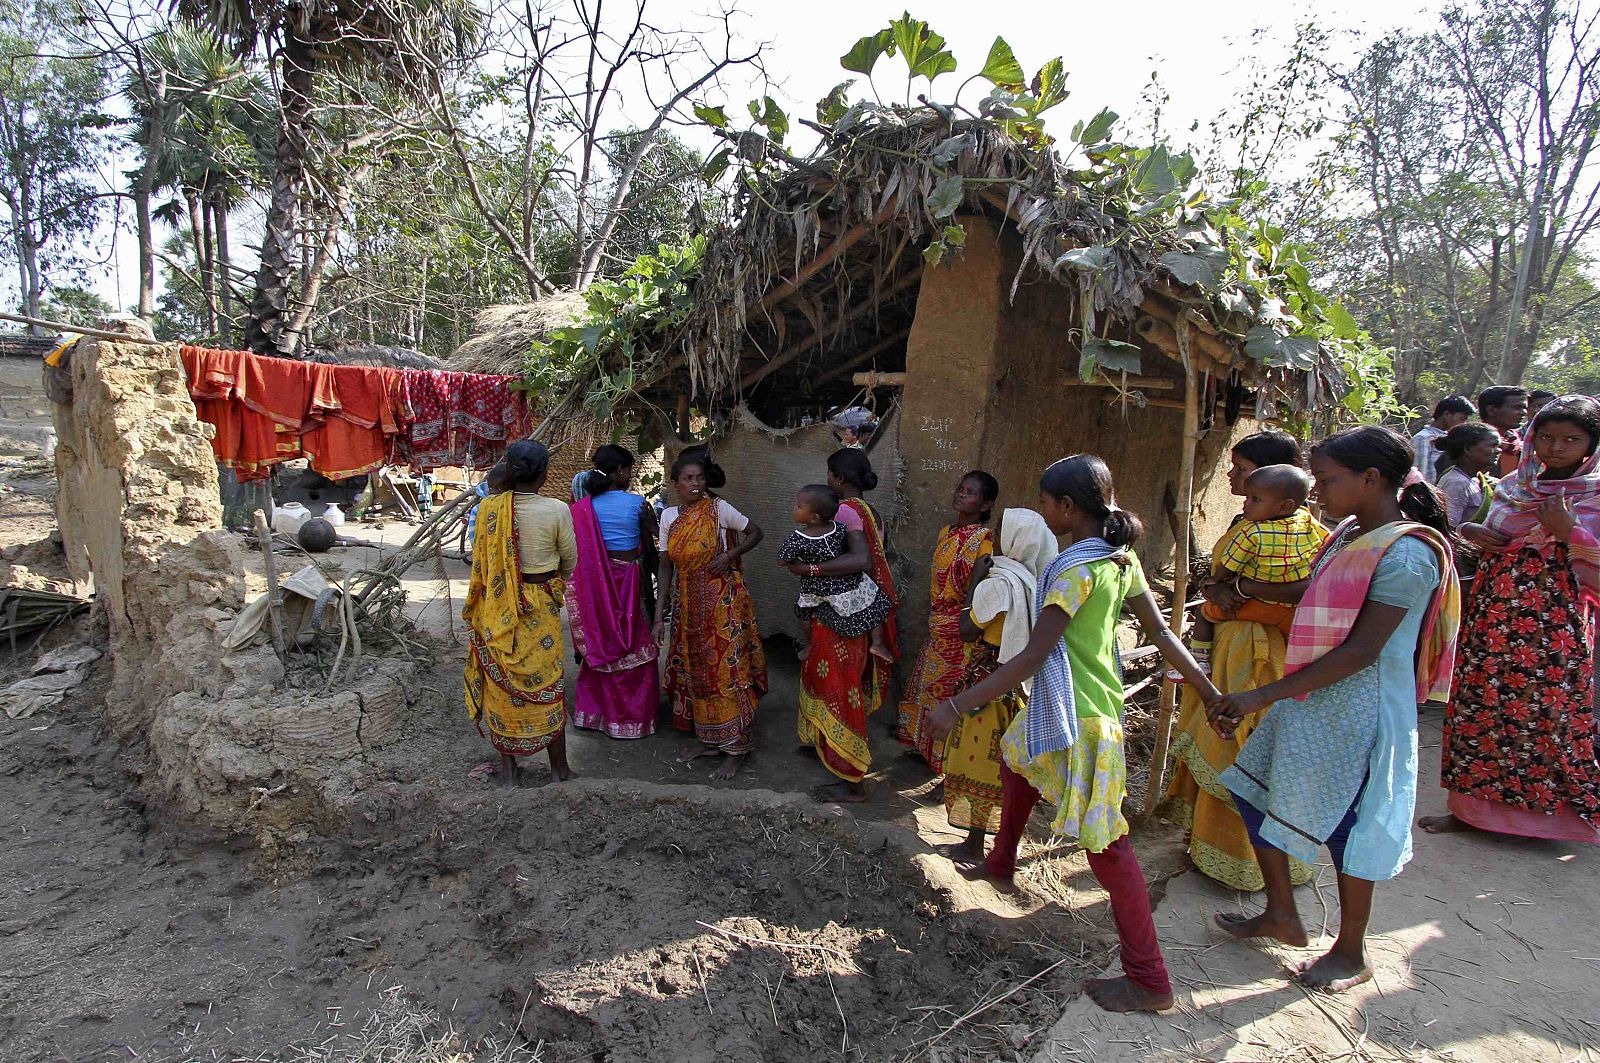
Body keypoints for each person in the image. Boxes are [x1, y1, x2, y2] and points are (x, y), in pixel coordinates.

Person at [924, 455, 1218, 1014]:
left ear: (1065, 507)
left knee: (1108, 848)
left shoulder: (1074, 570)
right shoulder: (1117, 558)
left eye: (1043, 502)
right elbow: (1160, 633)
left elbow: (1034, 655)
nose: (1041, 511)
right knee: (1016, 756)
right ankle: (1001, 861)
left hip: (1080, 716)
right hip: (1090, 702)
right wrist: (1207, 690)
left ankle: (1150, 978)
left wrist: (958, 705)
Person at [1209, 426, 1460, 993]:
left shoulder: (1409, 554)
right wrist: (1240, 590)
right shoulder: (1350, 532)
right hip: (1311, 696)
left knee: (1349, 827)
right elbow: (1312, 593)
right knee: (1252, 791)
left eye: (1325, 480)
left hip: (1360, 707)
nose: (1316, 491)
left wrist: (1257, 695)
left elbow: (1362, 651)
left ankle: (1351, 952)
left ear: (1371, 479)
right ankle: (1281, 914)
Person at [1423, 395, 1600, 843]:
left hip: (1554, 627)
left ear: (1592, 445)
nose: (1555, 448)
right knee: (1480, 707)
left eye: (1570, 440)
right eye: (1546, 437)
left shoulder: (1595, 495)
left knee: (1544, 715)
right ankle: (1469, 812)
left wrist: (1569, 533)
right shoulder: (1516, 485)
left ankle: (1546, 820)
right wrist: (1477, 533)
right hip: (1494, 615)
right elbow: (1487, 531)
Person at [1165, 432, 1319, 892]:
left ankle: (1239, 857)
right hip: (1250, 642)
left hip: (1250, 649)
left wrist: (1234, 597)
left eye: (1243, 470)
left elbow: (1232, 587)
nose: (1233, 477)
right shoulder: (1295, 528)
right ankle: (1211, 845)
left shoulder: (1273, 530)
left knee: (1235, 742)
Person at [940, 507, 1058, 862]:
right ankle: (991, 842)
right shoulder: (1032, 581)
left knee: (976, 760)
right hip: (1012, 684)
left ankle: (974, 844)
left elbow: (967, 629)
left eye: (999, 533)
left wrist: (976, 581)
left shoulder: (998, 583)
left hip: (985, 683)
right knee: (997, 761)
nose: (992, 538)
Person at [462, 441, 578, 785]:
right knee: (547, 683)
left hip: (495, 610)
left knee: (501, 687)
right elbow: (569, 560)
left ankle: (510, 772)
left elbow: (480, 555)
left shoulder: (488, 509)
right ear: (544, 474)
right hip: (539, 605)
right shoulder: (557, 510)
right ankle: (559, 770)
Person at [653, 452, 766, 780]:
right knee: (698, 672)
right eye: (688, 479)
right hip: (688, 606)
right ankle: (713, 741)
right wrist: (659, 615)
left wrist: (729, 555)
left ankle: (737, 749)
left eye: (700, 477)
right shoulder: (669, 517)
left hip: (723, 606)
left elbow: (755, 533)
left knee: (727, 671)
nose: (696, 484)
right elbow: (665, 565)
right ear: (675, 484)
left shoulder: (719, 509)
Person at [795, 448, 902, 781]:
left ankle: (851, 772)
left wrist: (811, 569)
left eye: (829, 474)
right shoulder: (875, 513)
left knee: (839, 684)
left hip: (842, 613)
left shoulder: (841, 513)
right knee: (843, 680)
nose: (827, 481)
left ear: (838, 478)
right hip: (864, 611)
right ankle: (827, 744)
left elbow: (859, 561)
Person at [898, 471, 999, 771]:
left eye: (970, 492)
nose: (960, 494)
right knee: (928, 688)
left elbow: (980, 590)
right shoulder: (946, 533)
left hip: (960, 631)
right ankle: (924, 746)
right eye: (960, 488)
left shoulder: (984, 541)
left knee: (949, 692)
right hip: (938, 624)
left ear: (985, 504)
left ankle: (946, 766)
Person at [1187, 465, 1326, 669]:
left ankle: (1198, 659)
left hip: (1253, 607)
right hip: (1293, 613)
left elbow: (1230, 563)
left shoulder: (1252, 532)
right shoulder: (1307, 521)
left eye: (1255, 499)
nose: (1246, 504)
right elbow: (1324, 544)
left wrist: (1214, 581)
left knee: (1205, 613)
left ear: (1285, 505)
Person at [567, 444, 661, 740]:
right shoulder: (637, 505)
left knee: (599, 638)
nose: (630, 475)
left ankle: (595, 715)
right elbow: (653, 540)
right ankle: (632, 718)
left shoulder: (580, 508)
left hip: (594, 585)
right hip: (629, 582)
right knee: (635, 644)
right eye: (629, 470)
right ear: (620, 471)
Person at [776, 484, 893, 663]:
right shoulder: (839, 529)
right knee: (875, 602)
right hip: (848, 584)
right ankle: (877, 643)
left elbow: (782, 560)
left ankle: (809, 644)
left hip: (817, 589)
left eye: (798, 506)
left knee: (803, 612)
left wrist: (797, 564)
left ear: (814, 517)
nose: (794, 508)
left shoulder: (797, 539)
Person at [1435, 423, 1501, 529]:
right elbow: (1447, 528)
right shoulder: (1457, 483)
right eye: (1493, 445)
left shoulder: (1476, 478)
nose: (1499, 450)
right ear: (1468, 449)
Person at [1411, 396, 1475, 483]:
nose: (1463, 423)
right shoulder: (1423, 438)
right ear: (1446, 414)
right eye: (1461, 419)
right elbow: (1419, 473)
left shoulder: (1451, 439)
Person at [1479, 385, 1531, 477]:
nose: (1524, 412)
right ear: (1491, 410)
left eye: (1524, 408)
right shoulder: (1473, 443)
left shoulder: (1516, 444)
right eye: (1517, 407)